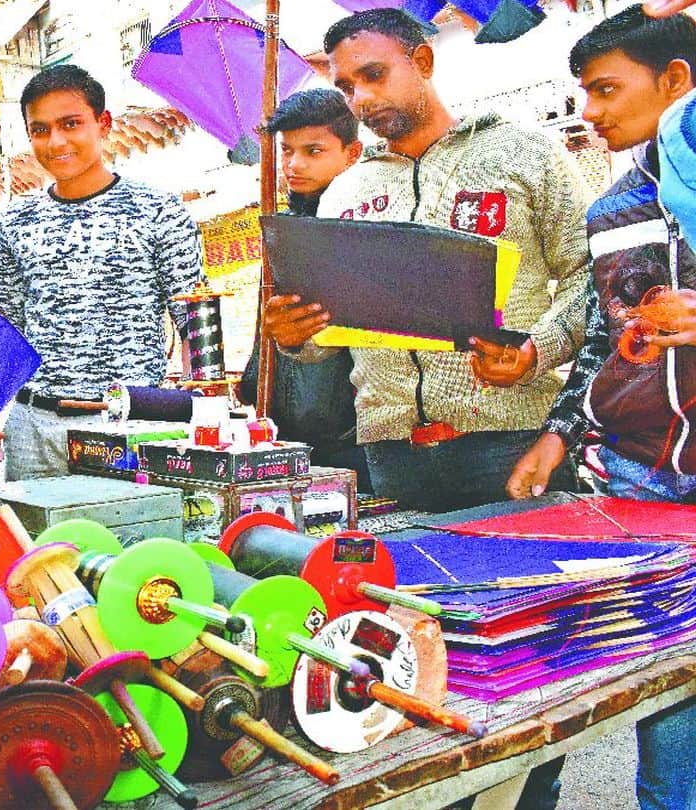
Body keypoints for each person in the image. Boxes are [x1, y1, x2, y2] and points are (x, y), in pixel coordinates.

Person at [262, 9, 590, 512]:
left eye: (374, 75)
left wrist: (537, 350)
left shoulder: (523, 152)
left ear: (423, 62)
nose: (361, 99)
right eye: (347, 87)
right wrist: (295, 335)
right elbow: (331, 334)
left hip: (512, 440)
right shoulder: (345, 192)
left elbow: (589, 275)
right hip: (390, 453)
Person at [505, 9, 696, 807]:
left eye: (607, 89)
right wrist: (557, 434)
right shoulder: (609, 211)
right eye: (584, 92)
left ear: (676, 81)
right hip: (640, 478)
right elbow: (600, 335)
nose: (590, 111)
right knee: (669, 698)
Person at [0, 64, 204, 480]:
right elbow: (6, 327)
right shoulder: (14, 221)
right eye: (40, 130)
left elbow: (194, 320)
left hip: (126, 424)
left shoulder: (159, 210)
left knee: (125, 525)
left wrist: (193, 413)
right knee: (28, 526)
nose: (56, 141)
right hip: (32, 427)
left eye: (71, 124)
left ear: (103, 124)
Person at [238, 88, 371, 490]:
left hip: (353, 437)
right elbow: (269, 330)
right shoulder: (283, 228)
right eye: (286, 151)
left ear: (352, 153)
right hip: (286, 434)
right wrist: (255, 381)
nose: (294, 165)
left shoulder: (366, 226)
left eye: (313, 151)